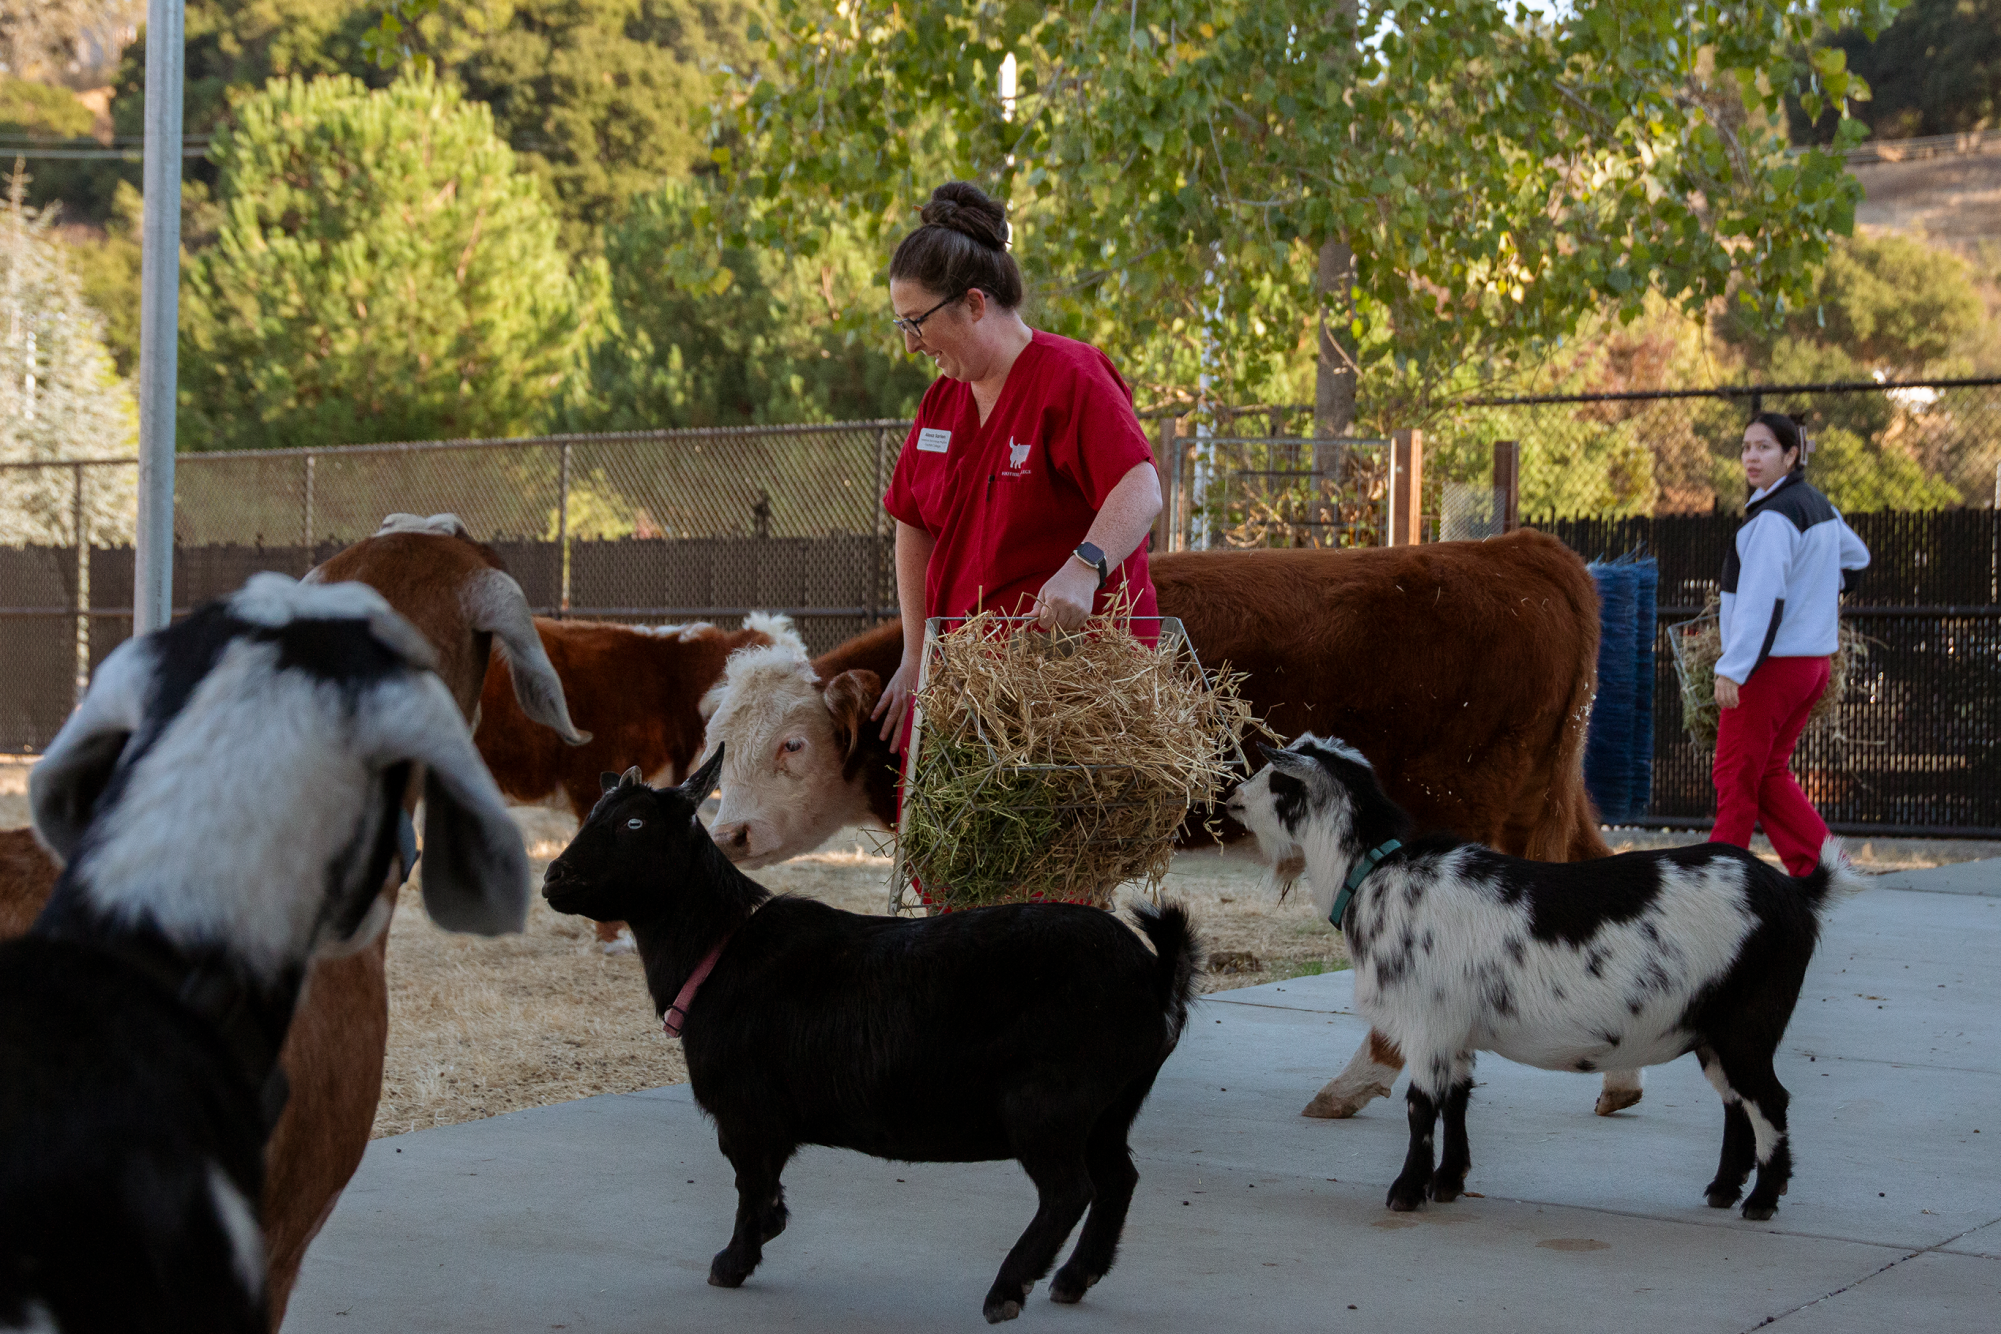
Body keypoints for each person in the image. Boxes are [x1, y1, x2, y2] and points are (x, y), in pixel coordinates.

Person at [870, 181, 1163, 746]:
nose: (911, 345)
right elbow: (911, 519)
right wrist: (914, 653)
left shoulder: (1070, 376)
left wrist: (1083, 569)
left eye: (917, 322)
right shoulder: (941, 401)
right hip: (967, 697)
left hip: (1071, 698)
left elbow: (1140, 484)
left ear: (975, 304)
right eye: (901, 324)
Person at [1711, 411, 1870, 875]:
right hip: (1811, 665)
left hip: (1770, 670)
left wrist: (1733, 668)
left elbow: (1762, 602)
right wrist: (1817, 591)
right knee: (1767, 773)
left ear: (1791, 455)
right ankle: (1826, 869)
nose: (1751, 456)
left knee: (1734, 774)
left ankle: (1720, 883)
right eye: (1746, 447)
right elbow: (1856, 559)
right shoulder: (1815, 505)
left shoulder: (1774, 519)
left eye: (1764, 447)